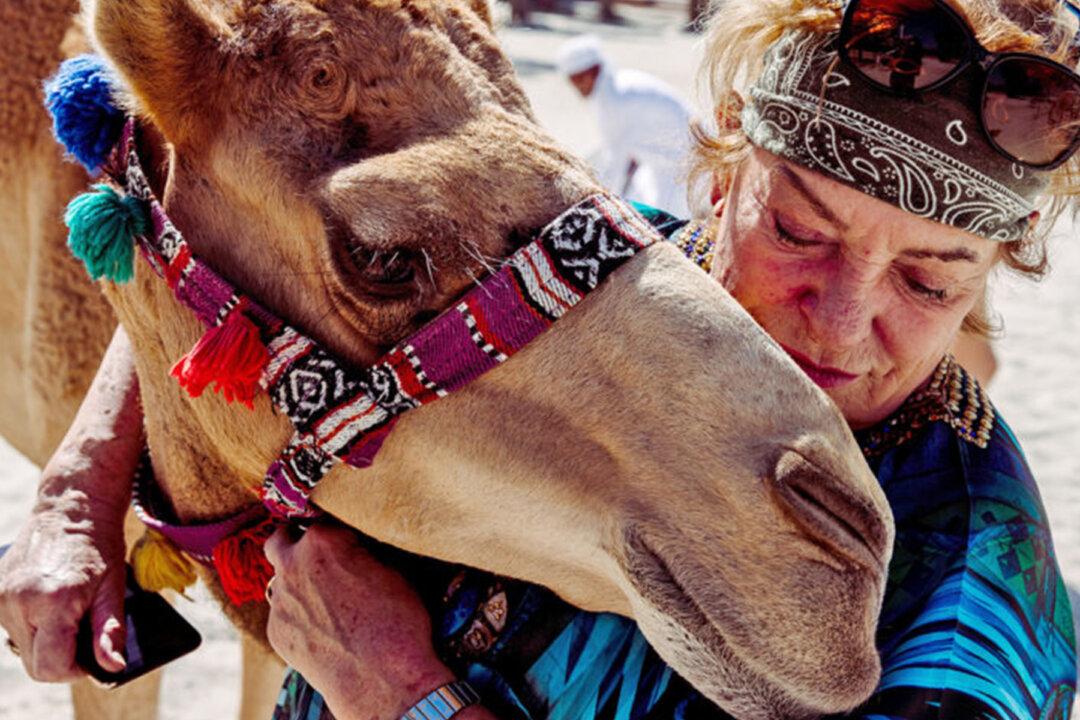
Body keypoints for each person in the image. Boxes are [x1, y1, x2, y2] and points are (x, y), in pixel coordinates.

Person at [1, 1, 1078, 719]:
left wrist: (407, 695)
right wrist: (80, 486)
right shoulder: (600, 262)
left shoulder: (980, 607)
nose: (840, 328)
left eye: (930, 282)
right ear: (720, 180)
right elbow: (253, 255)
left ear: (989, 282)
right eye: (798, 232)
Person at [557, 35, 695, 217]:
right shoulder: (616, 85)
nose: (577, 88)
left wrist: (597, 208)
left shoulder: (614, 97)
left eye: (579, 80)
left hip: (683, 166)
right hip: (659, 163)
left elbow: (615, 161)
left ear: (593, 71)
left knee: (659, 224)